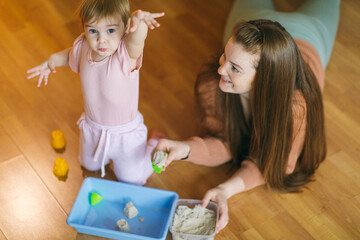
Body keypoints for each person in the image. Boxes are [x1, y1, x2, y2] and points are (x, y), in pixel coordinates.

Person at [154, 0, 340, 233]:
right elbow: (227, 141)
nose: (221, 69)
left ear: (263, 79)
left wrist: (226, 189)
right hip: (257, 18)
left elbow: (276, 164)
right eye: (225, 56)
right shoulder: (214, 82)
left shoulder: (296, 107)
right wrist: (186, 149)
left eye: (235, 68)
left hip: (310, 34)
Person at [26, 0, 165, 185]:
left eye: (110, 30)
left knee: (133, 179)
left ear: (125, 27)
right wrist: (51, 61)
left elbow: (137, 39)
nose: (101, 40)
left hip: (125, 135)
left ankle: (156, 144)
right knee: (88, 165)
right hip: (93, 128)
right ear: (84, 29)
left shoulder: (126, 53)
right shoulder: (83, 46)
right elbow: (69, 56)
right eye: (93, 31)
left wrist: (140, 23)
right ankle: (103, 159)